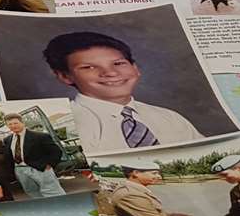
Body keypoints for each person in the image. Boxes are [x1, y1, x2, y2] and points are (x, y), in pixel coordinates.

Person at [44, 31, 201, 150]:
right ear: (65, 76)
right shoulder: (66, 124)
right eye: (89, 67)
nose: (110, 73)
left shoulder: (169, 118)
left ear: (135, 68)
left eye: (119, 64)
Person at [1, 114, 67, 198]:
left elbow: (56, 152)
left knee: (53, 193)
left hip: (40, 169)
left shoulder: (40, 136)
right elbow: (8, 156)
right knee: (32, 193)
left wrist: (49, 164)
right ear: (7, 126)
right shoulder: (7, 139)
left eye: (15, 123)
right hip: (20, 171)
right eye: (10, 124)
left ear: (22, 123)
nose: (13, 126)